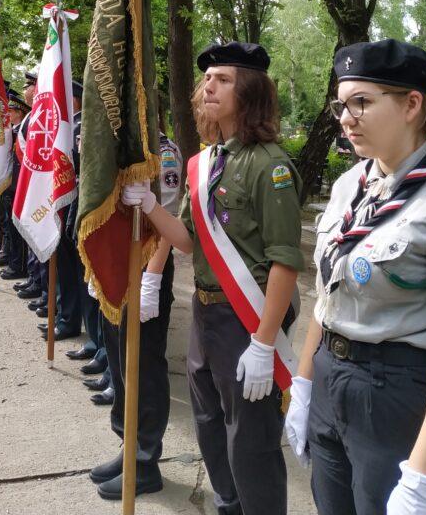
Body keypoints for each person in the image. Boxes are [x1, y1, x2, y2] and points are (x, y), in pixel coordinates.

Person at [284, 39, 426, 515]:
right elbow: (328, 299)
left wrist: (422, 479)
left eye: (362, 102)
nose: (345, 118)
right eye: (341, 105)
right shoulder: (353, 184)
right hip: (334, 380)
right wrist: (305, 387)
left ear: (412, 104)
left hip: (406, 402)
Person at [122, 41, 304, 515]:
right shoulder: (204, 162)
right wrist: (149, 207)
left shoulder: (271, 165)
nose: (209, 86)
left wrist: (265, 344)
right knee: (208, 426)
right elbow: (186, 239)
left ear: (251, 92)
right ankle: (228, 506)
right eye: (207, 79)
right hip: (207, 314)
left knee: (251, 442)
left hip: (249, 318)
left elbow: (285, 262)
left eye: (223, 79)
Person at [90, 105, 183, 500]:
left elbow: (169, 218)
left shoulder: (163, 153)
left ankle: (145, 460)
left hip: (147, 269)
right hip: (118, 269)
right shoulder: (116, 152)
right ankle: (127, 445)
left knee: (143, 367)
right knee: (120, 361)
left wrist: (152, 278)